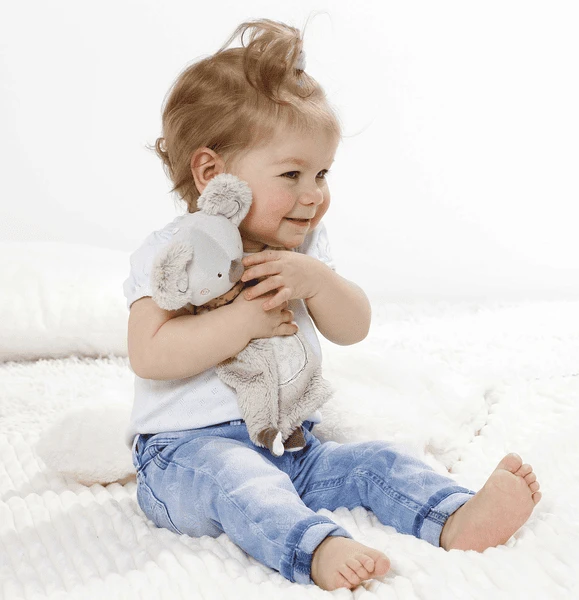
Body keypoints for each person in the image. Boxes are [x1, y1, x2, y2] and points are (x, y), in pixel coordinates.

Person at [123, 19, 542, 591]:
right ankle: (312, 547)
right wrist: (240, 321)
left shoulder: (304, 251)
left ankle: (453, 516)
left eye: (322, 173)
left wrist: (318, 283)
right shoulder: (171, 253)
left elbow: (354, 326)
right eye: (292, 174)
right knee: (242, 481)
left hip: (293, 447)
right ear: (212, 173)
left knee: (377, 461)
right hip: (186, 457)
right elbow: (149, 354)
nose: (314, 194)